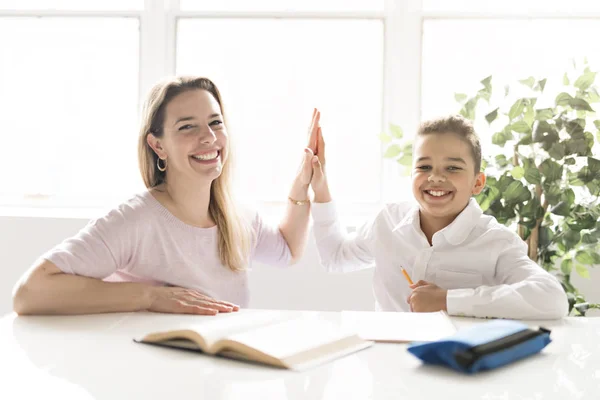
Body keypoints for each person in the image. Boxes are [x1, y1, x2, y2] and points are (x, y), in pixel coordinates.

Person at [12, 76, 319, 316]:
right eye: (188, 127)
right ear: (158, 146)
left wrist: (301, 183)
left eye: (216, 122)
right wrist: (150, 296)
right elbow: (29, 293)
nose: (209, 138)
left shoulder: (238, 216)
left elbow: (287, 252)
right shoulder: (135, 220)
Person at [307, 114, 568, 319]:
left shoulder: (497, 242)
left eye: (453, 167)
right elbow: (335, 258)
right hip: (387, 368)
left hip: (457, 372)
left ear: (477, 183)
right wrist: (320, 187)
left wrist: (447, 300)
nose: (436, 177)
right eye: (424, 166)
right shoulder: (386, 221)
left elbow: (552, 298)